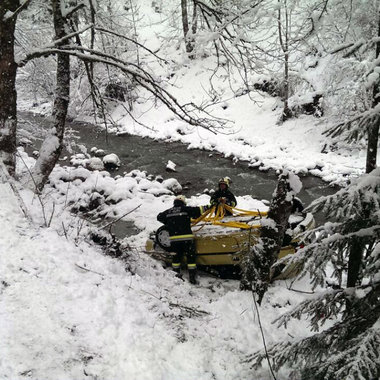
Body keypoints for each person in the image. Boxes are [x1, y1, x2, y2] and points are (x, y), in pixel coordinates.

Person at [157, 195, 207, 284]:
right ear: (183, 203)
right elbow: (199, 210)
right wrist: (210, 206)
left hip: (174, 241)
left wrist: (168, 222)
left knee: (176, 258)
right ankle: (192, 277)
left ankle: (176, 275)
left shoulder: (168, 211)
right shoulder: (186, 209)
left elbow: (159, 217)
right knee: (190, 258)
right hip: (187, 239)